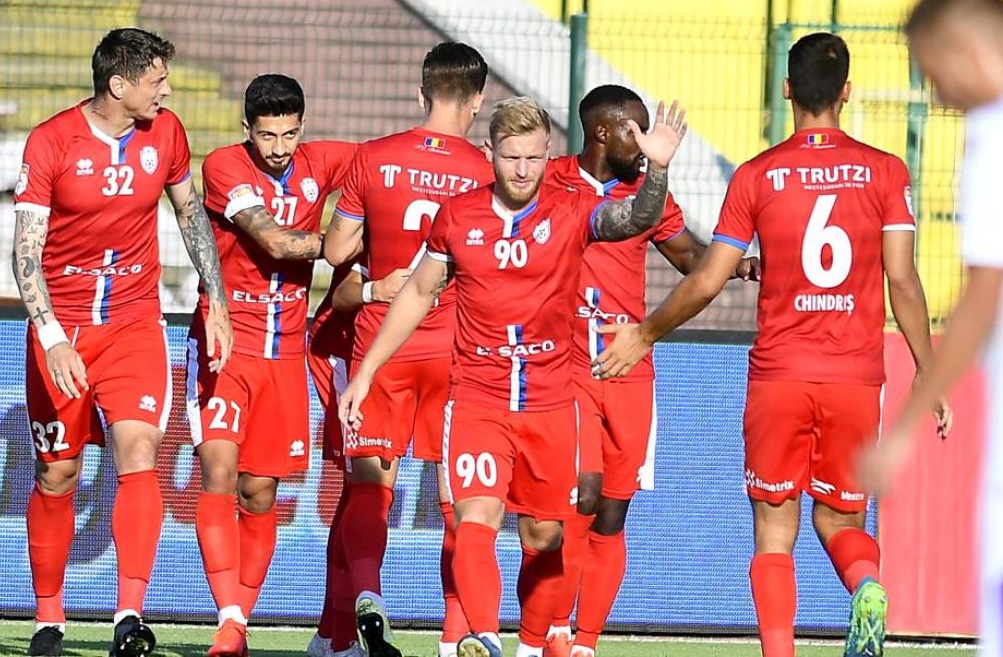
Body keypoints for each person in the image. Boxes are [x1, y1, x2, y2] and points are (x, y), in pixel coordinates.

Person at [593, 33, 951, 657]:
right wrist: (927, 366)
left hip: (780, 375)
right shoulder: (887, 171)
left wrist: (645, 333)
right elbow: (902, 278)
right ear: (846, 92)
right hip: (855, 377)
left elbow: (708, 278)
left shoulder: (758, 175)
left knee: (774, 531)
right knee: (839, 518)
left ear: (787, 89)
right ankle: (866, 585)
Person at [340, 95, 687, 657]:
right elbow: (419, 293)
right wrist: (367, 371)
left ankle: (529, 644)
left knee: (544, 535)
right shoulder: (458, 216)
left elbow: (637, 219)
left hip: (552, 403)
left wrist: (659, 168)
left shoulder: (572, 211)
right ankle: (484, 634)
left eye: (532, 157)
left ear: (548, 153)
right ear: (490, 153)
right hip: (478, 398)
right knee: (475, 516)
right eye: (510, 157)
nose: (522, 170)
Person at [861, 0, 1003, 656]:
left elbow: (985, 294)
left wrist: (903, 428)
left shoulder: (1001, 134)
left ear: (961, 49)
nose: (938, 95)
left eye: (933, 72)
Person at [12, 28, 233, 657]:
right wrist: (52, 337)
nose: (168, 90)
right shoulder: (51, 142)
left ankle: (128, 618)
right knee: (58, 473)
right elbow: (25, 254)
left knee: (139, 451)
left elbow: (189, 213)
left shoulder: (167, 133)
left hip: (136, 323)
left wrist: (216, 298)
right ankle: (48, 620)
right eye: (156, 80)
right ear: (118, 84)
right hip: (64, 331)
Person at [541, 83, 755, 657]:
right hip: (566, 363)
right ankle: (555, 629)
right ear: (602, 132)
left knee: (612, 511)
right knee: (578, 498)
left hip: (629, 364)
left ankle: (586, 643)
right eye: (635, 131)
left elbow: (690, 258)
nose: (645, 142)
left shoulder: (647, 192)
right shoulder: (548, 180)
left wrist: (738, 265)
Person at [321, 41, 491, 657]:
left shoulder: (373, 157)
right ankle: (455, 636)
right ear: (476, 101)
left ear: (422, 94)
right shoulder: (485, 171)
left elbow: (336, 251)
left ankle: (368, 596)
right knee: (459, 498)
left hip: (381, 342)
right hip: (456, 345)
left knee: (370, 484)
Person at [190, 73, 356, 656]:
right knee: (219, 473)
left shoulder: (322, 161)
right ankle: (228, 622)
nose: (279, 147)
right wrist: (346, 243)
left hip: (285, 352)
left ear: (302, 127)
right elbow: (277, 242)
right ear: (247, 129)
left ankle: (239, 620)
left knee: (260, 492)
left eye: (289, 134)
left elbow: (386, 171)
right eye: (267, 135)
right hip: (226, 342)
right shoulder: (224, 166)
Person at [305, 260, 412, 657]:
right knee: (365, 487)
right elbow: (339, 260)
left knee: (362, 491)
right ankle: (342, 639)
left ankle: (332, 635)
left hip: (410, 353)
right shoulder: (375, 227)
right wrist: (374, 288)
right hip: (348, 353)